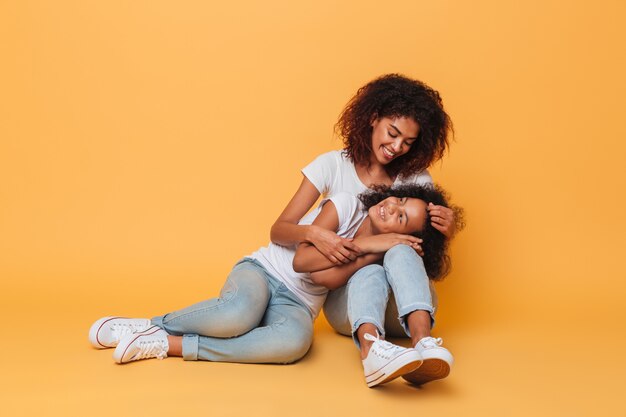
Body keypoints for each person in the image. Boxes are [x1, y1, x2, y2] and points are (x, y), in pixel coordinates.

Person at [88, 184, 456, 388]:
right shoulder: (346, 206)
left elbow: (322, 279)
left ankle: (169, 344)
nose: (392, 207)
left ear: (400, 236)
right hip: (263, 272)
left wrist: (373, 251)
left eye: (401, 218)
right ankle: (149, 323)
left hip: (298, 303)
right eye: (400, 199)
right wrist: (367, 244)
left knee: (294, 343)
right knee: (237, 314)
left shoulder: (376, 261)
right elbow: (302, 261)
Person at [270, 74, 459, 385]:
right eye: (392, 133)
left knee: (399, 248)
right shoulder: (332, 165)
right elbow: (279, 230)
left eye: (408, 142)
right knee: (369, 270)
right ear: (372, 118)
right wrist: (316, 234)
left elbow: (421, 249)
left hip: (408, 306)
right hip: (351, 305)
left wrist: (444, 232)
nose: (397, 147)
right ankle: (372, 351)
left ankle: (424, 344)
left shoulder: (416, 179)